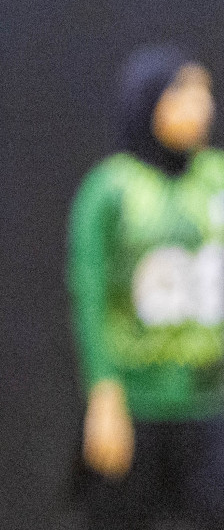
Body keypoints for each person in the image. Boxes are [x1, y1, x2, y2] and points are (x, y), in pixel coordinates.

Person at [69, 44, 224, 529]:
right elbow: (89, 297)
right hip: (139, 401)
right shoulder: (111, 189)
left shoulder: (217, 178)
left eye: (206, 93)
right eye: (184, 92)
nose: (202, 106)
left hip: (211, 400)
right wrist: (104, 395)